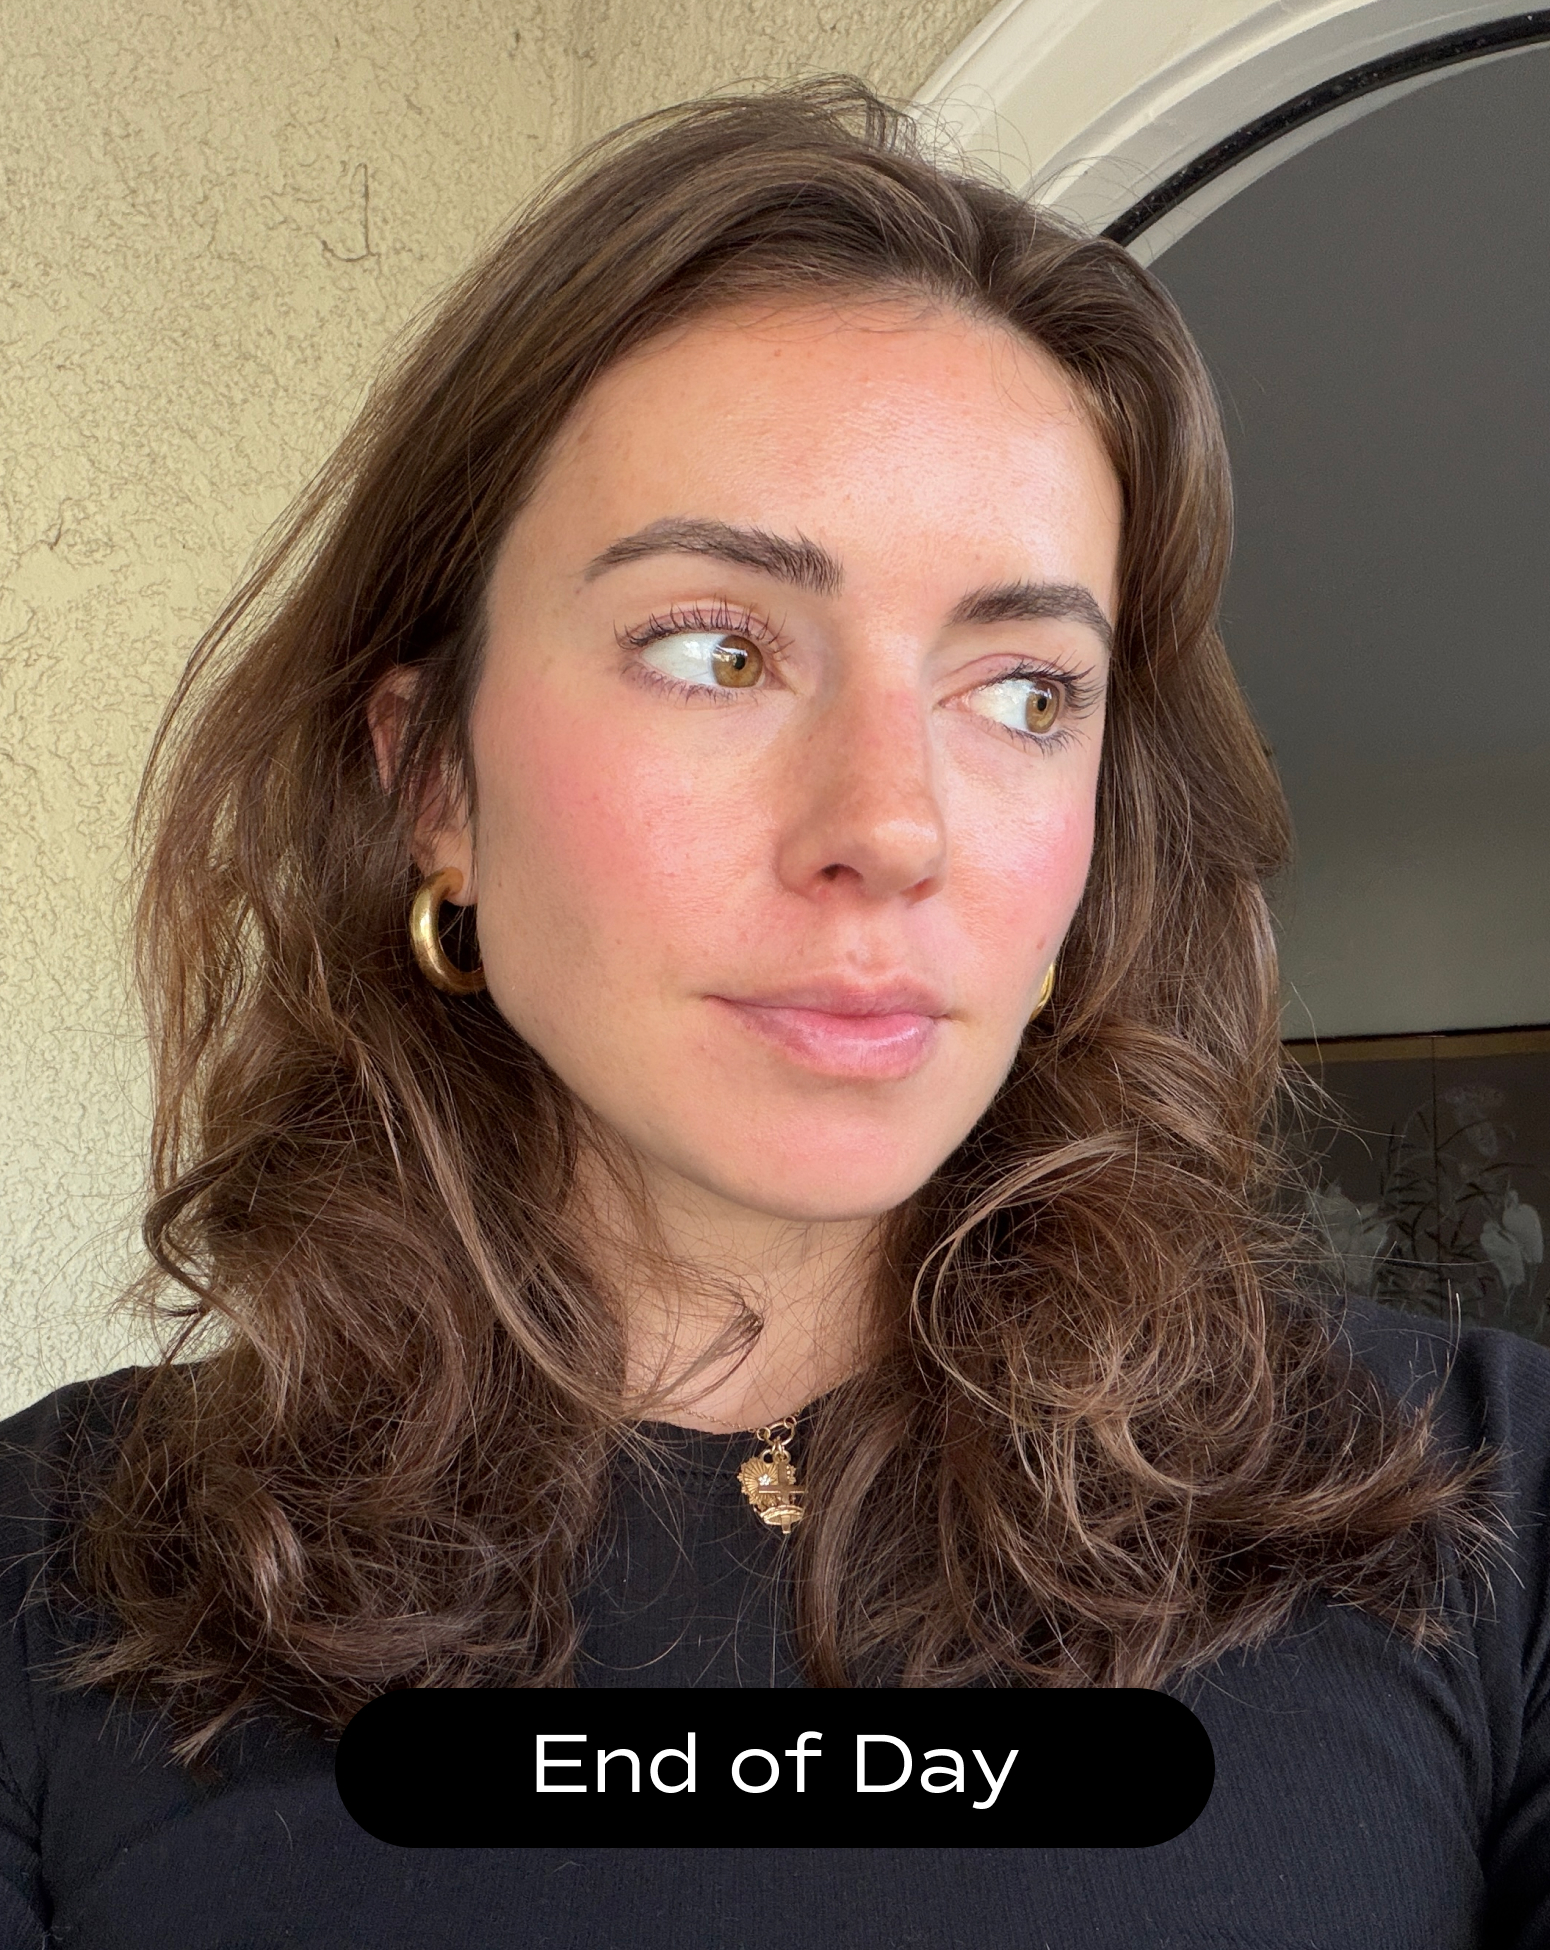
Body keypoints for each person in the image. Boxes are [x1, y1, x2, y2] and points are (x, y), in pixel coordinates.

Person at [0, 76, 1545, 1950]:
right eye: (716, 647)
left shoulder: (1480, 1500)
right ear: (432, 782)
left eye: (1021, 689)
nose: (891, 829)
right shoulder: (55, 1577)